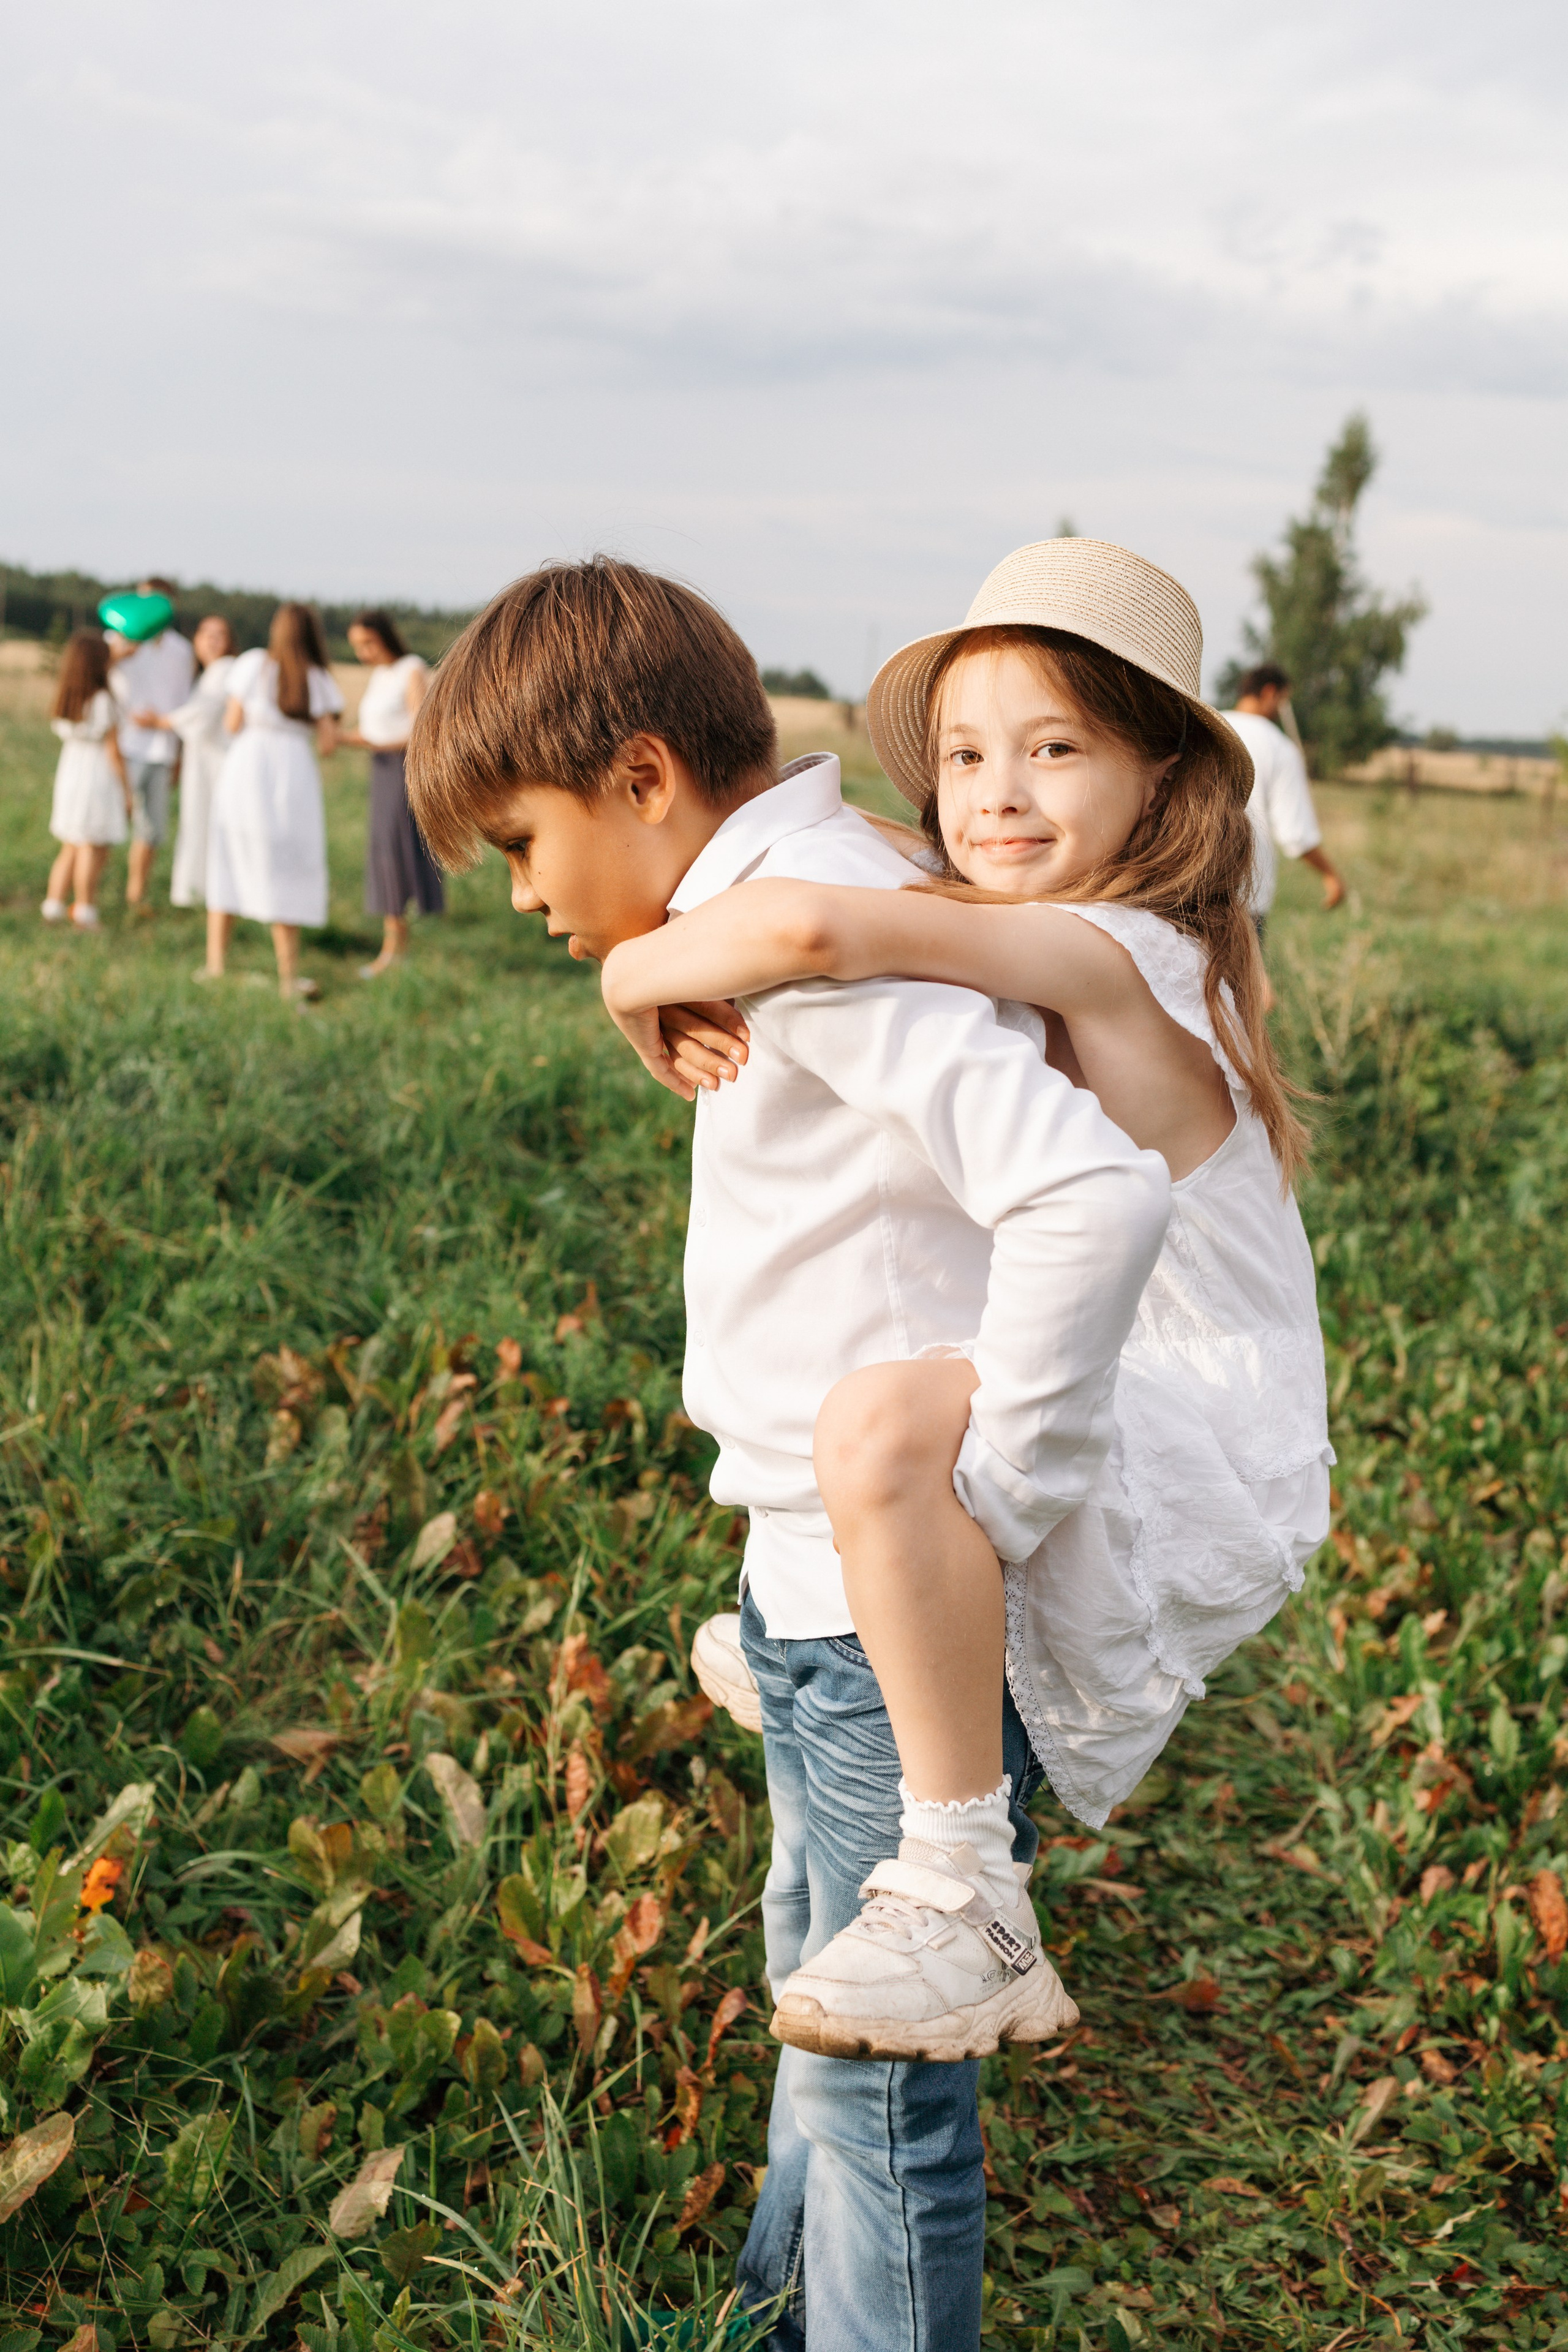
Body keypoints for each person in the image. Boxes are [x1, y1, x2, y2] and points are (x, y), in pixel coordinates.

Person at [405, 553, 1171, 2352]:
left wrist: (999, 1490)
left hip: (872, 1595)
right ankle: (772, 2298)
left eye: (523, 845)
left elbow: (1081, 1190)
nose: (522, 899)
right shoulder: (807, 887)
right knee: (814, 1973)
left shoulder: (818, 939)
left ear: (643, 776)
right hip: (806, 1575)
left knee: (883, 2093)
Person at [603, 541, 1333, 2070]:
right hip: (1144, 1353)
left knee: (881, 1419)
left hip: (1208, 1416)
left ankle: (965, 1891)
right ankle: (848, 1608)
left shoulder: (1110, 948)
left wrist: (629, 969)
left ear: (1160, 779)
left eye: (1053, 749)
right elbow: (887, 880)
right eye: (961, 754)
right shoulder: (1062, 916)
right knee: (887, 1354)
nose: (994, 793)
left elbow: (817, 930)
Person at [203, 603, 342, 1001]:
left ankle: (216, 966)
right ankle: (287, 977)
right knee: (288, 862)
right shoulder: (316, 677)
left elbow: (232, 724)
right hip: (293, 772)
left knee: (230, 854)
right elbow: (329, 744)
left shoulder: (251, 664)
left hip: (248, 767)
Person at [338, 608, 443, 976]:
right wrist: (340, 738)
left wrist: (380, 746)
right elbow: (372, 732)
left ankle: (395, 948)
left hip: (402, 772)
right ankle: (395, 943)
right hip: (380, 770)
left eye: (368, 642)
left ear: (385, 636)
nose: (363, 652)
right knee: (383, 852)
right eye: (357, 646)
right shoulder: (379, 676)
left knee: (396, 851)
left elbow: (423, 728)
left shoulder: (410, 668)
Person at [1223, 662, 1344, 932]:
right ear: (1269, 693)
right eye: (1283, 701)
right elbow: (1295, 833)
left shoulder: (1206, 727)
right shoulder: (1279, 747)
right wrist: (1331, 875)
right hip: (1245, 887)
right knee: (1246, 974)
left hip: (1185, 880)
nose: (1281, 709)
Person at [130, 615, 238, 908]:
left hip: (217, 763)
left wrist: (159, 722)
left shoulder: (226, 671)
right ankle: (201, 891)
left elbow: (201, 715)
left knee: (211, 822)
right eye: (206, 633)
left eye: (220, 634)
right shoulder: (207, 674)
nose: (212, 640)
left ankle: (212, 892)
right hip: (202, 761)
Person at [108, 575, 195, 914]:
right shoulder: (116, 639)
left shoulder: (182, 650)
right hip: (123, 746)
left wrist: (180, 755)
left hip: (162, 749)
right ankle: (83, 895)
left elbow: (184, 702)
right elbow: (90, 677)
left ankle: (136, 897)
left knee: (152, 831)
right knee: (102, 822)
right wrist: (118, 654)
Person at [43, 631, 132, 930]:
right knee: (92, 847)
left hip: (71, 771)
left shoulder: (67, 696)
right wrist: (127, 789)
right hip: (97, 776)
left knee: (71, 844)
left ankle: (54, 905)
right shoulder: (104, 700)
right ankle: (85, 910)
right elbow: (114, 752)